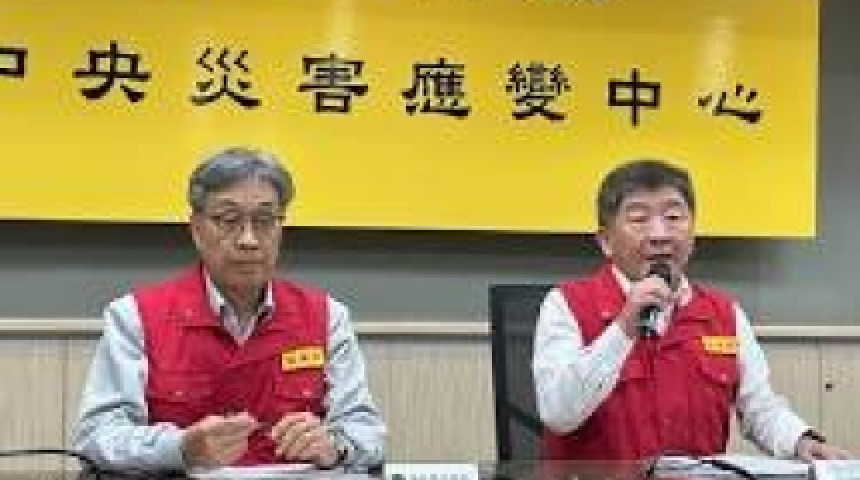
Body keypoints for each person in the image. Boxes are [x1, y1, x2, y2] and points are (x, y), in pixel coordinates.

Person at [73, 147, 385, 472]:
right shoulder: (135, 317)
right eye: (228, 220)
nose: (249, 240)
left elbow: (367, 432)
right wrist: (180, 447)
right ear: (196, 229)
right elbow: (97, 437)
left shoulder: (327, 317)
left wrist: (334, 445)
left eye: (264, 221)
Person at [532, 159, 850, 462]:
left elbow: (760, 408)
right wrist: (623, 328)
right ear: (605, 241)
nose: (660, 235)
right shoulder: (566, 305)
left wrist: (801, 440)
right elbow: (558, 412)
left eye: (674, 217)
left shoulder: (724, 315)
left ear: (693, 234)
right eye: (639, 219)